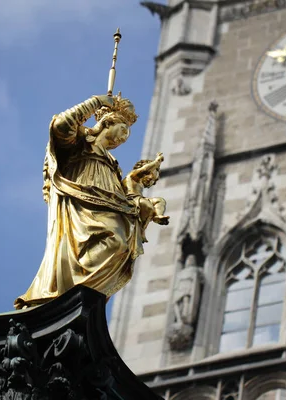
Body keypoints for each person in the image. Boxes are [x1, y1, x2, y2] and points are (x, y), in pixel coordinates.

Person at [14, 94, 147, 309]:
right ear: (107, 122)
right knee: (115, 242)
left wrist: (135, 182)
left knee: (121, 245)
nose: (123, 139)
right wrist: (96, 102)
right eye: (123, 130)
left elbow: (126, 199)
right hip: (78, 207)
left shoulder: (113, 164)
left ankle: (82, 298)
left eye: (127, 136)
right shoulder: (81, 140)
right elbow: (61, 126)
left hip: (106, 206)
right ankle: (72, 296)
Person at [122, 152, 169, 242]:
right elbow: (144, 169)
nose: (151, 181)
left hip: (139, 199)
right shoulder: (133, 176)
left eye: (154, 180)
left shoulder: (141, 185)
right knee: (147, 205)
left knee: (160, 200)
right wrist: (157, 162)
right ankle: (141, 231)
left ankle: (157, 216)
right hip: (130, 199)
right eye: (151, 176)